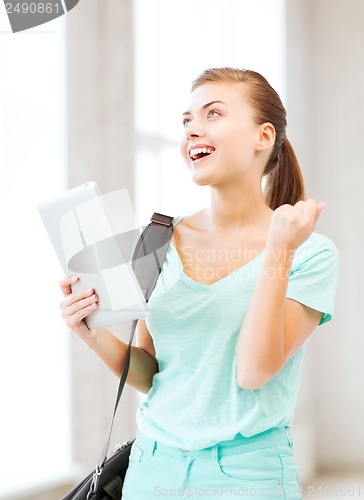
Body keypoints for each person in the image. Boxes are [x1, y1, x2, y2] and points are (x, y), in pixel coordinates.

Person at [60, 67, 339, 499]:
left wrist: (278, 251)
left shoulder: (309, 252)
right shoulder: (156, 239)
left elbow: (253, 372)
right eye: (186, 120)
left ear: (263, 136)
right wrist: (90, 332)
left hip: (250, 474)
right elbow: (153, 373)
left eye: (213, 114)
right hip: (153, 468)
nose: (193, 130)